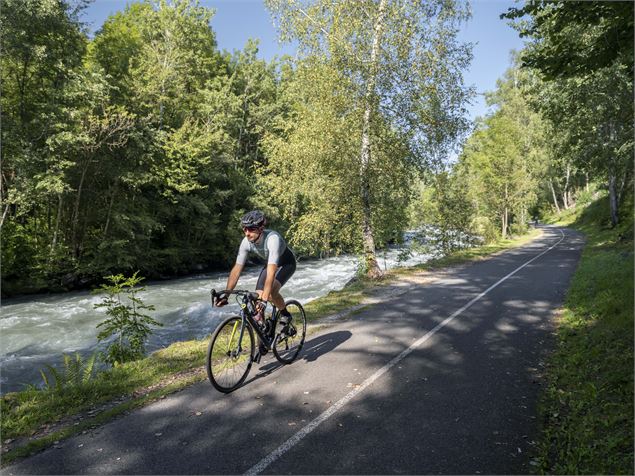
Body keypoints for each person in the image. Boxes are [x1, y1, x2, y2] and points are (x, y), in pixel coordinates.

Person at [215, 210, 296, 343]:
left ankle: (285, 315)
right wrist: (226, 295)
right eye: (245, 229)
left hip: (286, 264)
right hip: (270, 264)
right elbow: (236, 270)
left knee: (270, 294)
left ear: (261, 228)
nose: (247, 233)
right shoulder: (246, 242)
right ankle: (263, 332)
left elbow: (271, 272)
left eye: (251, 229)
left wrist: (264, 300)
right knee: (255, 297)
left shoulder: (272, 239)